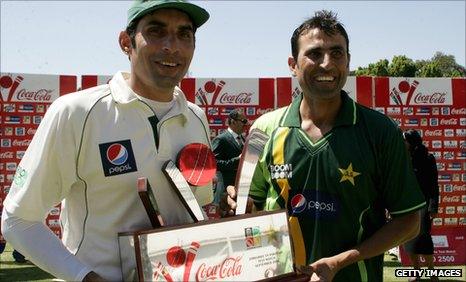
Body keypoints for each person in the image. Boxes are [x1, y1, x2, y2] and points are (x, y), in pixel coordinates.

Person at [1, 1, 212, 281]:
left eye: (184, 34)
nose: (171, 46)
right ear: (126, 42)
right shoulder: (77, 112)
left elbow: (197, 208)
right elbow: (18, 221)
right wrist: (85, 277)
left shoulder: (197, 117)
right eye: (156, 31)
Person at [221, 10, 425, 282]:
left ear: (349, 61)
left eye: (337, 53)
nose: (327, 64)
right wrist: (236, 205)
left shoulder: (381, 132)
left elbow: (409, 222)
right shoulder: (263, 130)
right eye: (314, 54)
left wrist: (342, 261)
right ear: (292, 64)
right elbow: (250, 207)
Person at [402, 129, 439, 282]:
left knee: (424, 239)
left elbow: (433, 186)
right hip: (404, 205)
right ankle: (416, 273)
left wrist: (433, 207)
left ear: (411, 143)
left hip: (423, 205)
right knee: (408, 240)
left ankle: (432, 273)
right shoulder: (401, 158)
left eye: (404, 140)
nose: (402, 142)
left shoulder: (428, 159)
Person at [211, 109, 247, 203]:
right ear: (233, 122)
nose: (246, 124)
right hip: (224, 191)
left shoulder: (243, 139)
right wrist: (237, 160)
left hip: (240, 190)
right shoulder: (221, 139)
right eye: (244, 121)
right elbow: (214, 163)